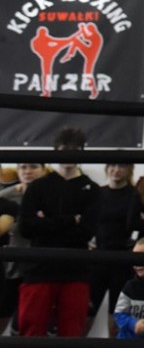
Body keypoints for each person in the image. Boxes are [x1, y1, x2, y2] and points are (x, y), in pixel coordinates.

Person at [17, 127, 100, 337]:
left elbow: (87, 231)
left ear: (82, 152)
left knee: (71, 333)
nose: (69, 154)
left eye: (75, 149)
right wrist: (70, 220)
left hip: (75, 269)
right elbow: (26, 228)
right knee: (31, 331)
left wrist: (45, 222)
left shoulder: (92, 189)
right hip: (39, 268)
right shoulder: (38, 186)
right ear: (56, 151)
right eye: (65, 149)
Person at [87, 162, 139, 339]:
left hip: (122, 260)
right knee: (88, 311)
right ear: (107, 168)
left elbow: (138, 224)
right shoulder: (97, 193)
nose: (116, 170)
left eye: (121, 166)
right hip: (97, 258)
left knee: (118, 314)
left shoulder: (135, 194)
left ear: (129, 170)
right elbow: (88, 221)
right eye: (113, 165)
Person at [0, 162, 46, 335]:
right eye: (23, 167)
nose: (28, 172)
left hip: (41, 263)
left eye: (33, 167)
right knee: (4, 312)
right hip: (11, 264)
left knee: (29, 318)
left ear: (43, 170)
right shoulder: (7, 197)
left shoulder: (52, 196)